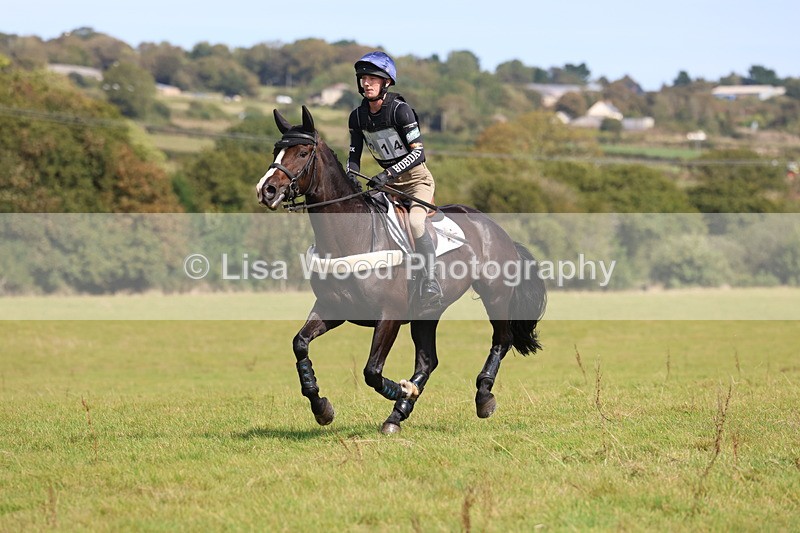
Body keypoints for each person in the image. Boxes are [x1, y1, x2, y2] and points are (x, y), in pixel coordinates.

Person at [346, 51, 441, 306]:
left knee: (416, 222)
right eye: (363, 78)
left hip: (416, 182)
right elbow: (354, 154)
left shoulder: (401, 111)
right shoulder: (357, 117)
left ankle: (431, 280)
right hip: (386, 186)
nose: (366, 83)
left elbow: (418, 153)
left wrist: (386, 174)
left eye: (373, 79)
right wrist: (350, 176)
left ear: (386, 82)